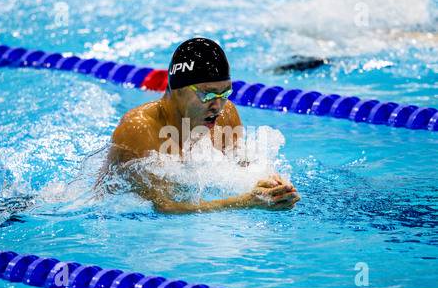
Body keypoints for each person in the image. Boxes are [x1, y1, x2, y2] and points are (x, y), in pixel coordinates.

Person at [99, 37, 301, 214]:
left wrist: (272, 184)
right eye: (208, 94)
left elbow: (245, 165)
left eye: (225, 94)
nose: (218, 106)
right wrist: (245, 202)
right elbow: (164, 207)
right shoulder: (139, 130)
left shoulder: (226, 114)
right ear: (176, 89)